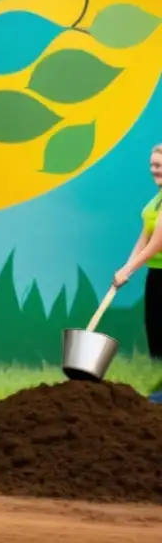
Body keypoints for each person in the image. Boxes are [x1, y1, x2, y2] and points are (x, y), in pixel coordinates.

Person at [113, 144, 162, 404]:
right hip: (156, 275)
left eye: (159, 164)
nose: (155, 169)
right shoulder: (156, 199)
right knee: (155, 333)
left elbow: (158, 242)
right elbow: (144, 237)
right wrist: (125, 268)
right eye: (152, 164)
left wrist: (131, 268)